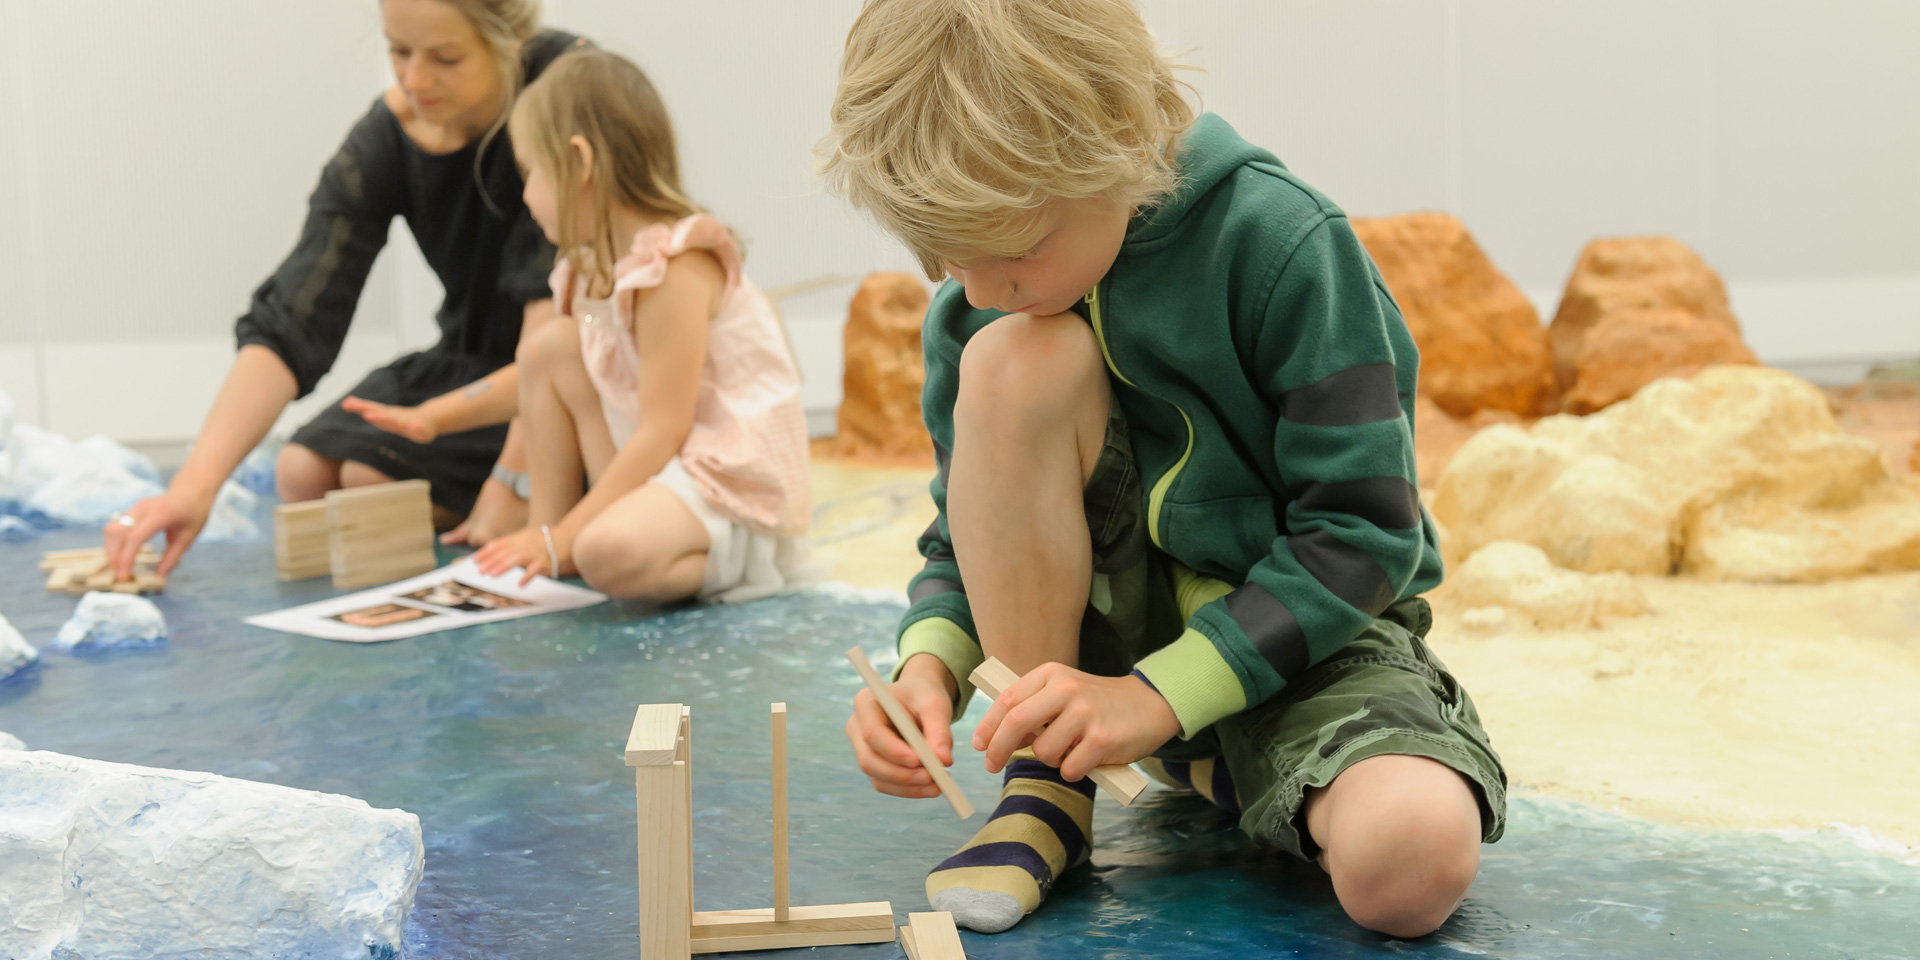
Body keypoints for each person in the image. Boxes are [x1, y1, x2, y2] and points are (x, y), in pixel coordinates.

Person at [821, 0, 1506, 939]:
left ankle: (1228, 758)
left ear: (1117, 141)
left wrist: (1156, 700)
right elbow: (960, 536)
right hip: (1081, 683)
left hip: (1303, 647)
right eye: (948, 257)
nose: (978, 291)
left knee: (1412, 859)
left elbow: (1363, 534)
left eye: (1014, 249)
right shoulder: (986, 308)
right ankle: (1049, 780)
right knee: (1014, 358)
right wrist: (928, 668)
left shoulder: (1282, 245)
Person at [104, 0, 587, 579]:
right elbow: (298, 313)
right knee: (303, 472)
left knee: (369, 478)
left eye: (446, 58)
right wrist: (193, 487)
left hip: (572, 376)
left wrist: (514, 481)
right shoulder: (388, 132)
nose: (414, 80)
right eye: (398, 51)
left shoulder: (568, 91)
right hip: (469, 358)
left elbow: (550, 336)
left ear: (511, 43)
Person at [456, 49, 812, 604]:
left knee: (606, 552)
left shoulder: (675, 267)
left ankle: (734, 565)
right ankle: (554, 537)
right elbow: (534, 379)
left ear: (579, 162)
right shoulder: (592, 267)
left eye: (530, 174)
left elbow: (663, 430)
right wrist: (431, 421)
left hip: (720, 477)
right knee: (549, 347)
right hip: (665, 465)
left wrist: (570, 538)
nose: (525, 197)